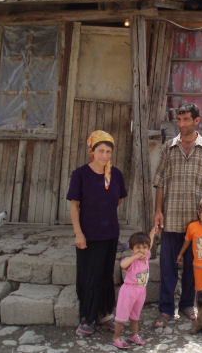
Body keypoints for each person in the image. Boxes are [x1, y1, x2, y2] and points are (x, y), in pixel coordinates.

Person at [152, 103, 202, 328]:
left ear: (197, 121)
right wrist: (158, 211)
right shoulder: (168, 148)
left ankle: (186, 304)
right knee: (168, 266)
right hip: (172, 216)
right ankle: (165, 309)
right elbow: (160, 183)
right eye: (179, 120)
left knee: (194, 267)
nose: (181, 124)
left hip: (200, 223)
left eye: (186, 119)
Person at [67, 130, 127, 336]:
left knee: (105, 274)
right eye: (100, 151)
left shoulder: (116, 174)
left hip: (110, 233)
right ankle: (87, 317)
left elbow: (118, 199)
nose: (105, 155)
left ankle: (105, 313)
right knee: (89, 276)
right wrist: (78, 233)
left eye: (108, 151)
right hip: (88, 235)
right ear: (92, 151)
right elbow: (75, 206)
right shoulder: (81, 174)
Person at [112, 228, 157, 349]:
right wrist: (135, 256)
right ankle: (116, 337)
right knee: (121, 317)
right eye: (138, 248)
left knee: (135, 316)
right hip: (128, 292)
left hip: (141, 291)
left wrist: (152, 233)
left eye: (144, 247)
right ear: (132, 249)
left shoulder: (146, 257)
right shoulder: (131, 261)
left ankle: (134, 335)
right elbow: (122, 265)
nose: (141, 250)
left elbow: (150, 243)